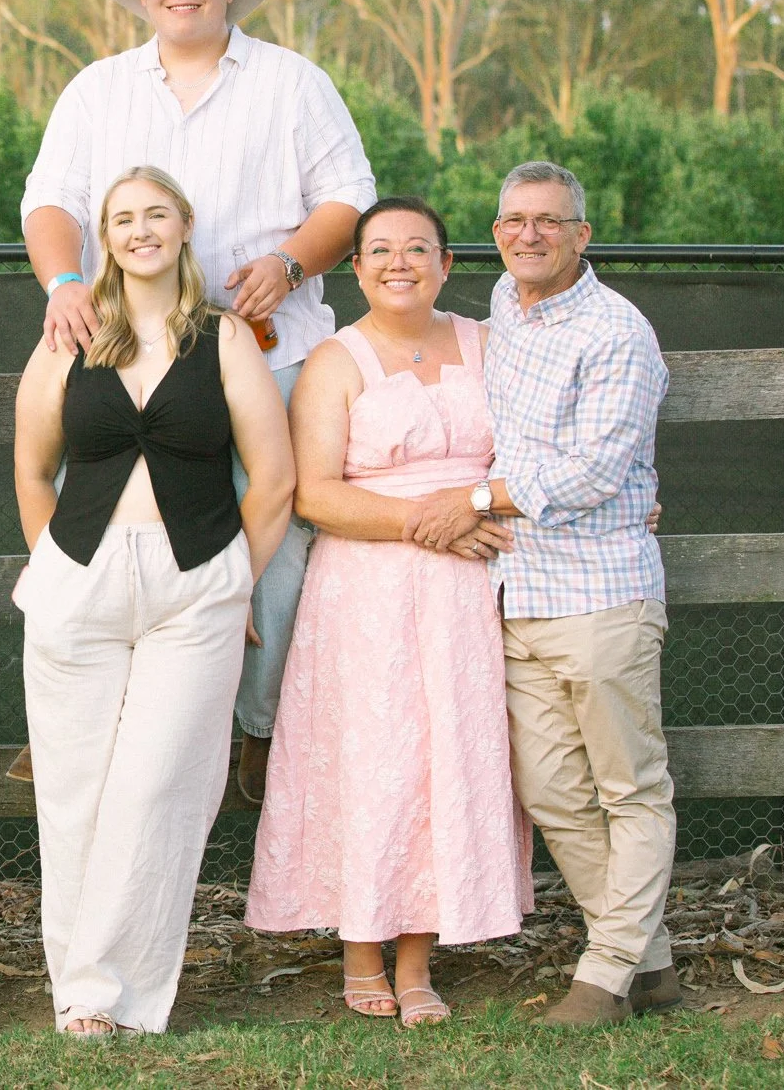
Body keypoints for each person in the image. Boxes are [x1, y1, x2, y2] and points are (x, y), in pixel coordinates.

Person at [15, 0, 374, 800]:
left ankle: (255, 728)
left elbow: (347, 200)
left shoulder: (294, 81)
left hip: (262, 341)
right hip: (124, 349)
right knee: (84, 519)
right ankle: (81, 724)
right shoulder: (96, 88)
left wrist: (290, 264)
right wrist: (64, 286)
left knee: (277, 543)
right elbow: (50, 203)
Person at [13, 165, 294, 1035]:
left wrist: (233, 578)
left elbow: (275, 479)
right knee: (74, 794)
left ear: (184, 226)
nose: (140, 230)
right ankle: (83, 994)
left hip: (197, 586)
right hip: (78, 580)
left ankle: (113, 990)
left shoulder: (226, 336)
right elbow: (30, 466)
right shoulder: (70, 333)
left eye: (156, 215)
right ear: (105, 236)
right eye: (122, 218)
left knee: (159, 787)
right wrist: (59, 572)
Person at [401, 161, 677, 1027]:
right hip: (516, 594)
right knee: (553, 790)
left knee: (631, 788)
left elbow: (594, 468)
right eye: (515, 219)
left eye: (549, 221)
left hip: (600, 594)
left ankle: (606, 973)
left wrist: (475, 501)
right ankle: (654, 961)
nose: (530, 234)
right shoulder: (503, 317)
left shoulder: (616, 331)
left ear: (581, 235)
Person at [244, 197, 532, 1027]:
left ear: (447, 263)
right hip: (365, 594)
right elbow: (316, 494)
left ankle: (418, 958)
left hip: (469, 592)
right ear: (357, 268)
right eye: (379, 250)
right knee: (373, 763)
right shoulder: (335, 361)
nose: (398, 261)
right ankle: (361, 949)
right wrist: (426, 520)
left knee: (448, 761)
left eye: (418, 248)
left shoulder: (489, 342)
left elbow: (534, 451)